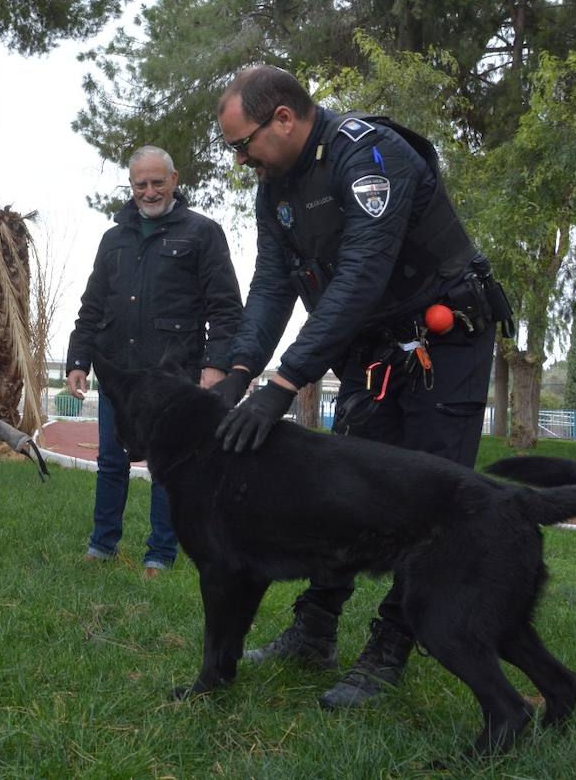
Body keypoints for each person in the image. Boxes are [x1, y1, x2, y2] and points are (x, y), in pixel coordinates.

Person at [211, 64, 512, 708]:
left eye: (243, 144)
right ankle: (316, 626)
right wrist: (237, 377)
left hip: (444, 339)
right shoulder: (276, 189)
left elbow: (361, 273)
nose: (241, 160)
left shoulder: (372, 155)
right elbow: (270, 287)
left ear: (284, 119)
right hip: (370, 347)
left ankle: (390, 647)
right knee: (343, 491)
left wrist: (286, 381)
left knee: (428, 496)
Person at [65, 145, 243, 577]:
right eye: (140, 184)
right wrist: (78, 360)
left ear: (174, 180)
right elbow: (92, 305)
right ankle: (101, 545)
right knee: (110, 462)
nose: (148, 192)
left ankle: (160, 554)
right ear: (131, 186)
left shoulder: (203, 233)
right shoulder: (114, 239)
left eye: (156, 182)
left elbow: (225, 307)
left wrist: (215, 365)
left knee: (168, 467)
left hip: (172, 380)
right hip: (118, 375)